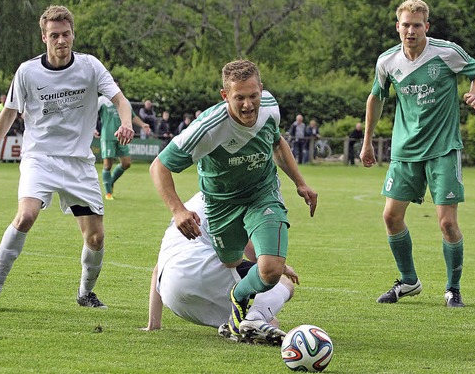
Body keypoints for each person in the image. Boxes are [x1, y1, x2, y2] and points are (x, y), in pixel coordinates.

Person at [0, 5, 135, 309]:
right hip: (40, 159)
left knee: (96, 238)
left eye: (66, 34)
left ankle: (85, 293)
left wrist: (126, 122)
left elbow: (120, 99)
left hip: (78, 163)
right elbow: (8, 114)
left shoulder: (90, 67)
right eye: (55, 35)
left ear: (73, 34)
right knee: (26, 216)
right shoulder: (28, 72)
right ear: (44, 37)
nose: (61, 40)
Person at [149, 59, 317, 337]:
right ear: (225, 96)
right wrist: (178, 210)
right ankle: (247, 311)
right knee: (230, 262)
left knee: (272, 269)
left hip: (262, 194)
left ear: (261, 89)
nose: (249, 105)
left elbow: (277, 142)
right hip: (220, 206)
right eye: (240, 97)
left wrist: (300, 183)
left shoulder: (270, 108)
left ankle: (240, 298)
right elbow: (160, 166)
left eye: (254, 96)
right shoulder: (207, 128)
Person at [360, 0, 475, 308]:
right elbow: (375, 98)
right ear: (397, 27)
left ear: (426, 27)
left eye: (417, 25)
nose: (411, 30)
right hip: (406, 151)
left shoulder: (446, 53)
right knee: (391, 216)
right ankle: (408, 281)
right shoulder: (387, 62)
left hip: (443, 149)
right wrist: (367, 141)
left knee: (447, 223)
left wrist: (474, 93)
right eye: (405, 24)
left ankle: (452, 289)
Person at [146, 192, 298, 345]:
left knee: (270, 322)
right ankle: (254, 318)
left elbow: (157, 269)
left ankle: (238, 326)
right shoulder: (231, 198)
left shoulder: (191, 205)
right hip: (200, 269)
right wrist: (281, 267)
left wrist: (153, 325)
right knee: (283, 283)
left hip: (172, 296)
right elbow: (253, 254)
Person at [96, 81, 150, 200]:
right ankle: (108, 193)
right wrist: (92, 129)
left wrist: (143, 125)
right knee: (107, 165)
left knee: (126, 163)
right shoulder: (102, 101)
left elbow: (132, 116)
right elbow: (91, 114)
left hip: (122, 135)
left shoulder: (123, 101)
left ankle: (110, 182)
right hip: (108, 136)